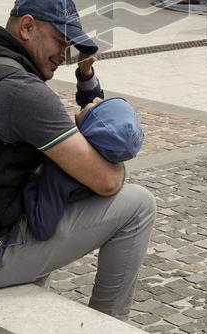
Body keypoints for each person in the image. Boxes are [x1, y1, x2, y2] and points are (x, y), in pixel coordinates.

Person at [0, 0, 156, 321]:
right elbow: (106, 181)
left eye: (69, 47)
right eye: (60, 42)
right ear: (27, 27)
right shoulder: (21, 91)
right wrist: (116, 164)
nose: (64, 55)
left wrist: (85, 78)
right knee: (139, 204)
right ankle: (110, 325)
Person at [23, 97, 144, 242]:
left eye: (98, 106)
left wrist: (29, 180)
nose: (96, 99)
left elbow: (42, 228)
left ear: (93, 129)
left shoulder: (62, 168)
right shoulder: (102, 159)